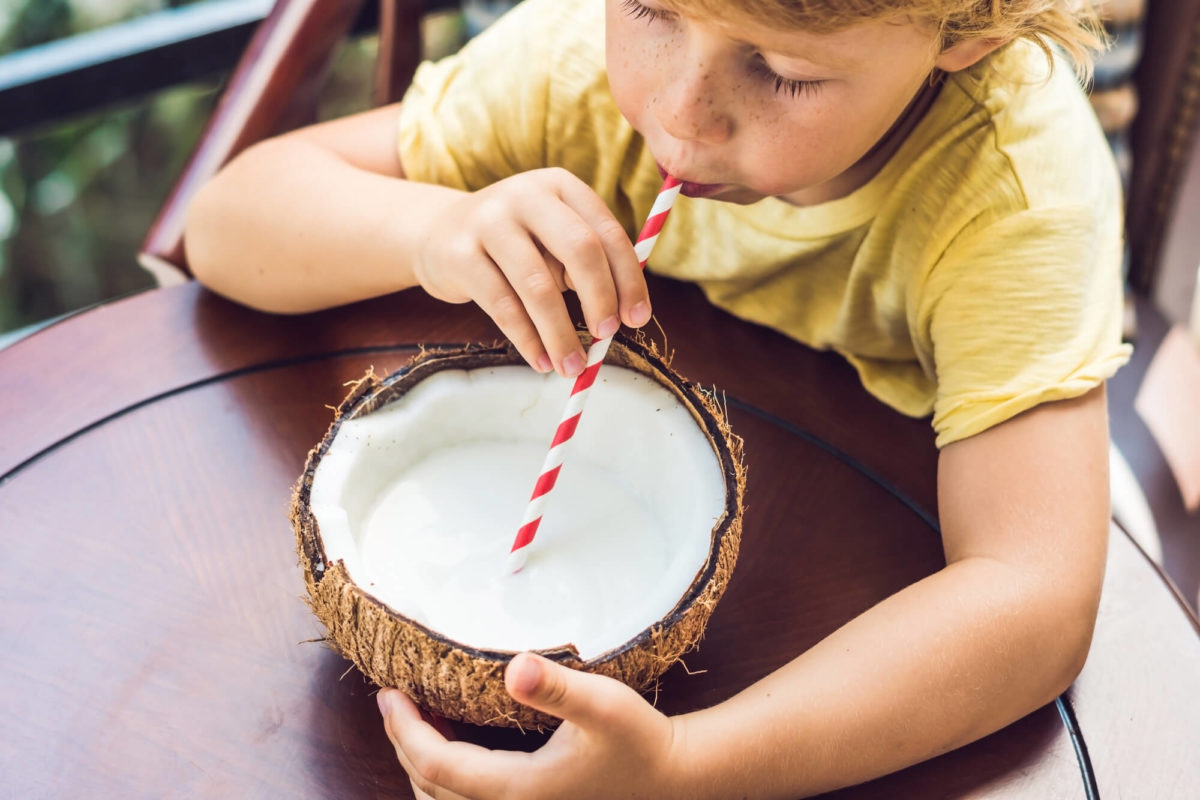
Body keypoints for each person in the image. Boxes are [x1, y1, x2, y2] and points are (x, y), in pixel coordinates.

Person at [185, 0, 1131, 796]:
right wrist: (430, 227)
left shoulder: (1012, 195)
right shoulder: (566, 71)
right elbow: (229, 224)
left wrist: (684, 767)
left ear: (968, 29)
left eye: (784, 72)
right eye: (648, 9)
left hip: (916, 527)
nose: (684, 116)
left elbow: (1031, 600)